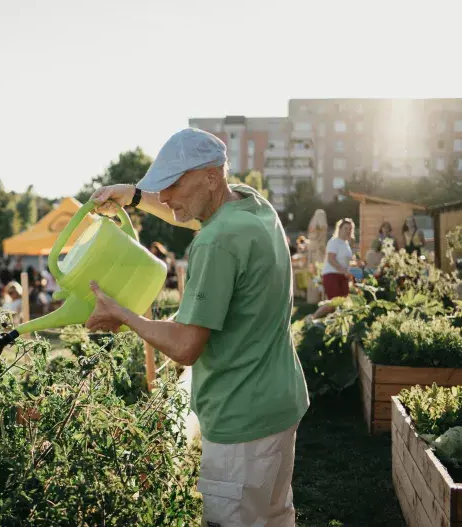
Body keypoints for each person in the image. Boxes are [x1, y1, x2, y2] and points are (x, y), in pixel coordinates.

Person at [84, 127, 309, 526]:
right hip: (278, 403)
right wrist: (133, 195)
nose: (166, 197)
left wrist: (121, 314)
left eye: (172, 185)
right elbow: (190, 213)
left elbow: (187, 347)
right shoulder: (253, 206)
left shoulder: (216, 242)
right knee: (275, 517)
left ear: (210, 177)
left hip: (240, 421)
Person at [310, 218, 355, 320]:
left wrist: (353, 266)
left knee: (343, 304)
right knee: (333, 303)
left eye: (350, 229)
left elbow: (345, 261)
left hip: (343, 277)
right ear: (339, 229)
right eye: (346, 228)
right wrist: (344, 271)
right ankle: (312, 318)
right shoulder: (334, 241)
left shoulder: (346, 244)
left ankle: (336, 325)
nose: (348, 231)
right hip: (331, 275)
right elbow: (331, 259)